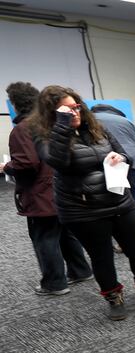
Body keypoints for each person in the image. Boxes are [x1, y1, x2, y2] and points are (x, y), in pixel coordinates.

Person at [29, 85, 135, 320]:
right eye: (66, 109)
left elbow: (124, 152)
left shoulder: (97, 128)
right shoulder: (44, 135)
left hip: (119, 200)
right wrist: (63, 125)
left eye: (76, 107)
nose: (74, 113)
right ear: (52, 113)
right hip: (83, 209)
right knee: (101, 256)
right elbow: (59, 161)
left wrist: (120, 157)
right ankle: (114, 297)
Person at [1, 81, 92, 296]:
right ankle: (81, 270)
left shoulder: (22, 129)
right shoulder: (49, 123)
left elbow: (27, 163)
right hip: (61, 188)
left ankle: (54, 283)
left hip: (40, 192)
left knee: (45, 237)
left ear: (14, 105)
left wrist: (7, 166)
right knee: (65, 233)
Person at [91, 104, 135, 241]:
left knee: (111, 204)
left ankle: (121, 240)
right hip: (133, 164)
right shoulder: (128, 122)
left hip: (107, 166)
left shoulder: (90, 121)